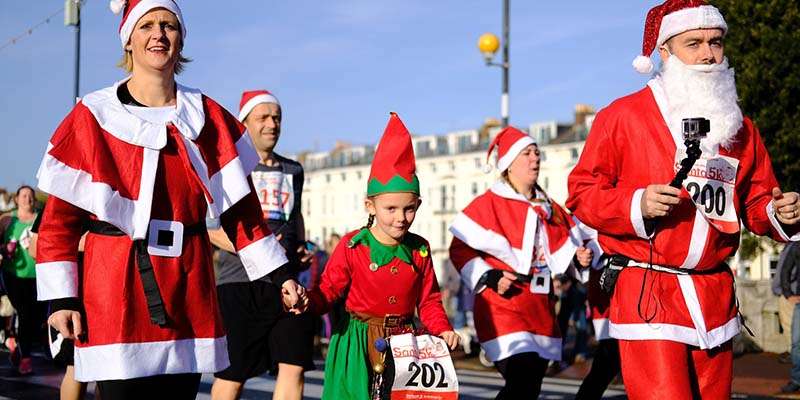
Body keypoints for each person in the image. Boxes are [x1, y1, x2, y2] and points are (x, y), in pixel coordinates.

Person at [34, 1, 301, 398]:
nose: (159, 34)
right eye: (147, 26)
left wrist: (281, 275)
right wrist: (61, 298)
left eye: (169, 25)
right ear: (128, 41)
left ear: (181, 39)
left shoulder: (206, 116)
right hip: (116, 288)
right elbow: (59, 222)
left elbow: (241, 213)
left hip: (188, 287)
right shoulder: (93, 116)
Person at [566, 1, 800, 398]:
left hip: (713, 297)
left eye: (716, 42)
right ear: (665, 51)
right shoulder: (622, 116)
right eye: (694, 43)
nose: (708, 54)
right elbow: (581, 192)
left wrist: (779, 213)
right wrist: (635, 204)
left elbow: (756, 199)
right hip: (648, 291)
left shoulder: (740, 127)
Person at [307, 113, 459, 399]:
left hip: (405, 346)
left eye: (409, 208)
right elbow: (329, 290)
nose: (401, 218)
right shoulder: (354, 245)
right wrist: (306, 301)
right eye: (391, 209)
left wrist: (442, 329)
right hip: (356, 343)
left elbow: (429, 301)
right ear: (370, 205)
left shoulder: (420, 250)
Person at [448, 127, 598, 399]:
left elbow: (569, 249)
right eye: (526, 153)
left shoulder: (550, 208)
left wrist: (579, 259)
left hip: (540, 304)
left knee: (529, 386)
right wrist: (490, 275)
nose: (535, 159)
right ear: (508, 164)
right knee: (521, 374)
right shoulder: (490, 203)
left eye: (537, 153)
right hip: (502, 304)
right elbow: (458, 249)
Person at [210, 89, 315, 400]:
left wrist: (300, 246)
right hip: (240, 282)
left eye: (277, 118)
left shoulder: (294, 170)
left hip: (288, 283)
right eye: (264, 117)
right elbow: (208, 229)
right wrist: (255, 246)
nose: (272, 124)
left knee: (293, 365)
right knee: (234, 373)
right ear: (244, 124)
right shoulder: (228, 168)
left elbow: (296, 214)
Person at [0, 185, 43, 375]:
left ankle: (18, 348)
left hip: (37, 277)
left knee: (34, 319)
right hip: (13, 276)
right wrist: (4, 249)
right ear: (17, 199)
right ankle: (26, 358)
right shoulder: (8, 220)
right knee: (25, 314)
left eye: (30, 196)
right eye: (24, 196)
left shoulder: (41, 219)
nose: (28, 199)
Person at [779, 241, 800, 393]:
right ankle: (796, 379)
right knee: (796, 342)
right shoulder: (797, 245)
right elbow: (785, 270)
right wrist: (788, 294)